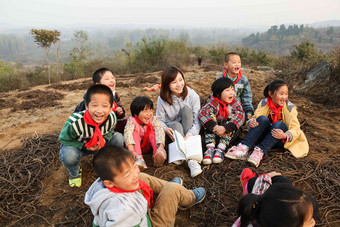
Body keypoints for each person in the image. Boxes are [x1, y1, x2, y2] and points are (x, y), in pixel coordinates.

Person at [85, 145, 206, 227]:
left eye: (133, 165)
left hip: (138, 215)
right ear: (109, 183)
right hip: (150, 223)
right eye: (127, 174)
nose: (135, 172)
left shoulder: (101, 187)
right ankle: (188, 197)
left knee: (141, 177)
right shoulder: (123, 211)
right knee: (172, 189)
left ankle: (173, 191)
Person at [225, 80, 309, 167]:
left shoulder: (290, 107)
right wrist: (251, 123)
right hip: (265, 137)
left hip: (280, 138)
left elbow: (296, 128)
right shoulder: (264, 103)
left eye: (286, 94)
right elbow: (256, 117)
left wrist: (285, 136)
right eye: (281, 93)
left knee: (279, 124)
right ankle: (243, 148)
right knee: (261, 119)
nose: (284, 97)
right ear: (271, 94)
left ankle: (260, 151)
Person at [59, 84, 124, 187]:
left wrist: (104, 140)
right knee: (69, 155)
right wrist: (83, 146)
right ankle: (74, 173)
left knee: (119, 138)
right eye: (94, 105)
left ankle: (107, 164)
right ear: (86, 105)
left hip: (99, 145)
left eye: (105, 106)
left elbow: (110, 131)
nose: (99, 111)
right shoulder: (75, 122)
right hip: (79, 147)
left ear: (111, 107)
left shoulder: (112, 118)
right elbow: (64, 139)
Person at [156, 66, 202, 178]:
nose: (179, 84)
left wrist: (190, 134)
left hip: (189, 131)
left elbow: (197, 120)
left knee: (187, 111)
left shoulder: (192, 95)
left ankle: (192, 161)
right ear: (167, 85)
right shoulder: (162, 100)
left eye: (181, 80)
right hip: (173, 134)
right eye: (174, 82)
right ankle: (181, 153)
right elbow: (159, 120)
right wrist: (165, 129)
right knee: (176, 124)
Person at [232, 168, 317, 227]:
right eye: (309, 221)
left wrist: (269, 176)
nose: (313, 222)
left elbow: (259, 190)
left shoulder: (259, 202)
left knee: (281, 180)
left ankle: (248, 184)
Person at [198, 77, 245, 164]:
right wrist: (215, 127)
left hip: (229, 134)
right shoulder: (213, 102)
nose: (231, 92)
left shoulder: (235, 102)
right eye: (227, 90)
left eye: (232, 89)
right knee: (209, 116)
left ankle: (220, 149)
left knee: (234, 116)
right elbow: (203, 113)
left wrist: (225, 128)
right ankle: (210, 149)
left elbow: (240, 115)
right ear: (218, 93)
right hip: (213, 133)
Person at [74, 68, 127, 134]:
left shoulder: (114, 95)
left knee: (129, 123)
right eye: (107, 79)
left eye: (113, 78)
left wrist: (120, 112)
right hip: (93, 128)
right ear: (98, 84)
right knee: (118, 138)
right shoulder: (91, 98)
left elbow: (120, 114)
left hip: (110, 125)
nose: (112, 80)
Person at [124, 96, 166, 170]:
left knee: (153, 133)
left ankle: (158, 153)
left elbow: (159, 131)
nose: (149, 114)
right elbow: (128, 134)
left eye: (150, 110)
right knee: (134, 134)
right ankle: (138, 158)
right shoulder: (132, 121)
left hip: (149, 145)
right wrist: (131, 150)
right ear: (135, 113)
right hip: (136, 148)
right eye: (145, 111)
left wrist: (161, 146)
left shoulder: (153, 119)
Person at [216, 52, 253, 120]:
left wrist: (249, 111)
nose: (237, 64)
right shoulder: (220, 79)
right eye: (234, 62)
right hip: (222, 108)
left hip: (237, 109)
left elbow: (247, 97)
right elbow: (215, 95)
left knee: (243, 118)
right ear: (226, 65)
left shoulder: (243, 80)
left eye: (239, 62)